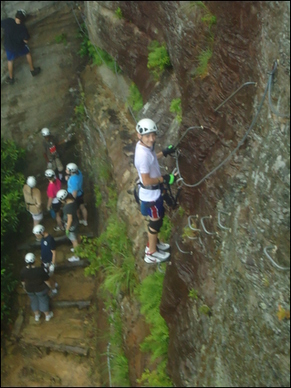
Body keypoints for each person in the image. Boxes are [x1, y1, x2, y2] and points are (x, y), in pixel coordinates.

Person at [134, 118, 176, 263]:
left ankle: (155, 244)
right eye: (147, 136)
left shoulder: (144, 147)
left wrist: (163, 153)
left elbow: (152, 158)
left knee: (155, 221)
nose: (151, 139)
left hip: (150, 194)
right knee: (155, 223)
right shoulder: (142, 155)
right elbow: (146, 180)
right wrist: (164, 179)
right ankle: (151, 253)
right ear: (139, 135)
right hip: (150, 195)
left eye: (153, 135)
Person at [1, 9, 41, 85]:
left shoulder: (8, 21)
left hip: (9, 47)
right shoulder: (23, 28)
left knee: (10, 61)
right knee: (28, 53)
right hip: (19, 47)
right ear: (23, 19)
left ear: (16, 15)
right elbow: (26, 41)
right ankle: (32, 70)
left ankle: (11, 78)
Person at [20, 253, 53, 322]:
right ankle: (47, 316)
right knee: (43, 300)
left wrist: (24, 287)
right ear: (34, 260)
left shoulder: (23, 271)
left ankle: (37, 316)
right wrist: (50, 287)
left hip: (29, 289)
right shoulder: (40, 270)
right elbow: (46, 280)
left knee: (33, 301)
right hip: (40, 289)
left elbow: (23, 281)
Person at [32, 224, 58, 296]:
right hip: (44, 261)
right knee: (51, 275)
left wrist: (52, 264)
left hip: (49, 262)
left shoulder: (50, 239)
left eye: (37, 235)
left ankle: (54, 289)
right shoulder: (43, 239)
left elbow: (54, 252)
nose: (37, 236)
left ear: (41, 232)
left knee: (48, 276)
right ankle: (55, 284)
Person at [56, 189, 80, 262]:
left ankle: (76, 256)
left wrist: (67, 229)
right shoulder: (73, 200)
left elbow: (70, 219)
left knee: (74, 241)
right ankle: (78, 248)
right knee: (77, 235)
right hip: (76, 222)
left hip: (72, 226)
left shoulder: (67, 207)